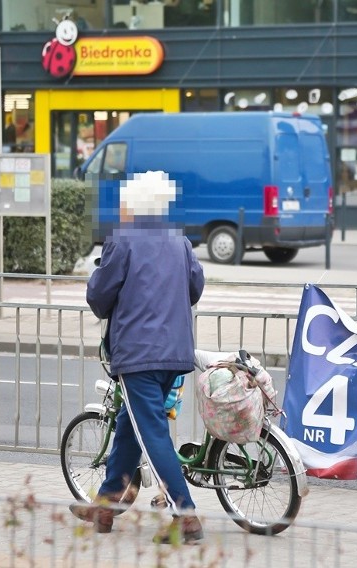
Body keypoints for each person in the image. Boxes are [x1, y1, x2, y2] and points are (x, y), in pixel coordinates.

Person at [70, 170, 206, 544]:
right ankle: (105, 508)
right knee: (132, 428)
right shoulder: (179, 242)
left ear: (132, 205)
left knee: (154, 437)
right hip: (174, 353)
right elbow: (196, 287)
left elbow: (99, 297)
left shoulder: (122, 241)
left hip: (138, 355)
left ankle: (186, 515)